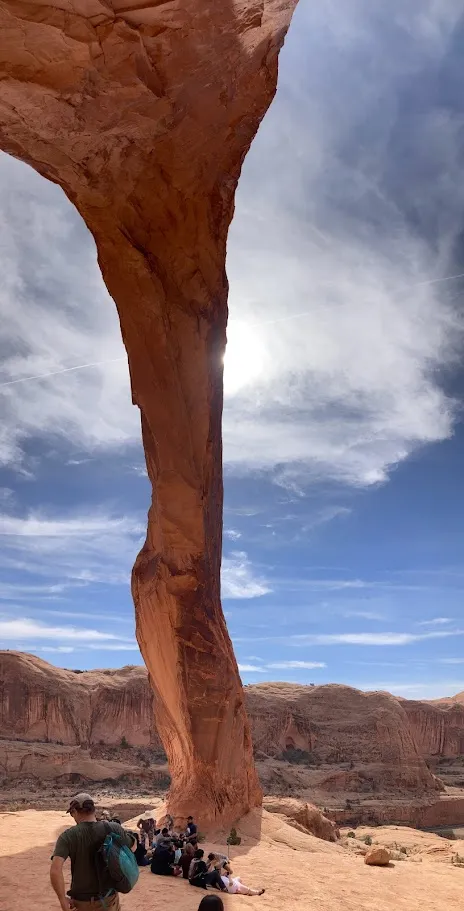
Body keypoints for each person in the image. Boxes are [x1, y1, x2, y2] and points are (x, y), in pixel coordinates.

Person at [50, 792, 136, 911]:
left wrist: (62, 899)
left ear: (75, 811)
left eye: (71, 813)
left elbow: (55, 869)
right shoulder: (113, 828)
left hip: (82, 903)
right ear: (93, 810)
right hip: (109, 900)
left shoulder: (68, 836)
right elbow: (133, 847)